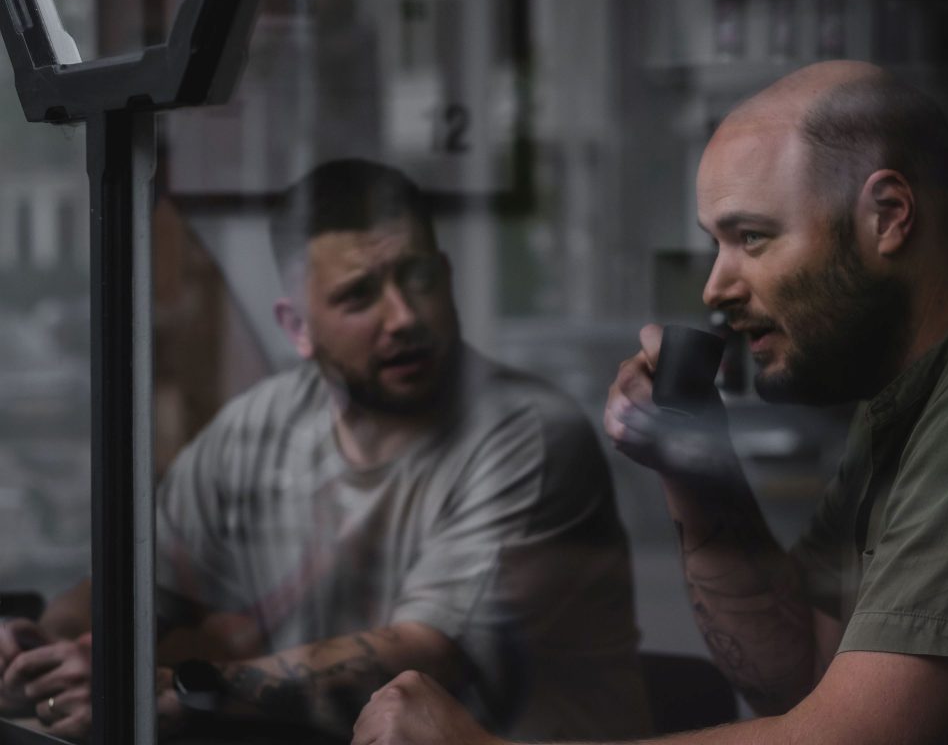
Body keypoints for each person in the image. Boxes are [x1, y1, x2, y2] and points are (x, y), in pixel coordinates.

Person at [348, 60, 948, 744]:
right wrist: (698, 467)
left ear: (889, 215)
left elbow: (846, 739)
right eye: (714, 243)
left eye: (751, 238)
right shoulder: (912, 382)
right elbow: (799, 677)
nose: (717, 286)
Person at [0, 159, 652, 742]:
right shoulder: (258, 427)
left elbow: (424, 651)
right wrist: (42, 644)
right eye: (358, 295)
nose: (403, 316)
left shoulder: (529, 434)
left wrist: (174, 687)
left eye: (418, 277)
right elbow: (147, 585)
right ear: (296, 329)